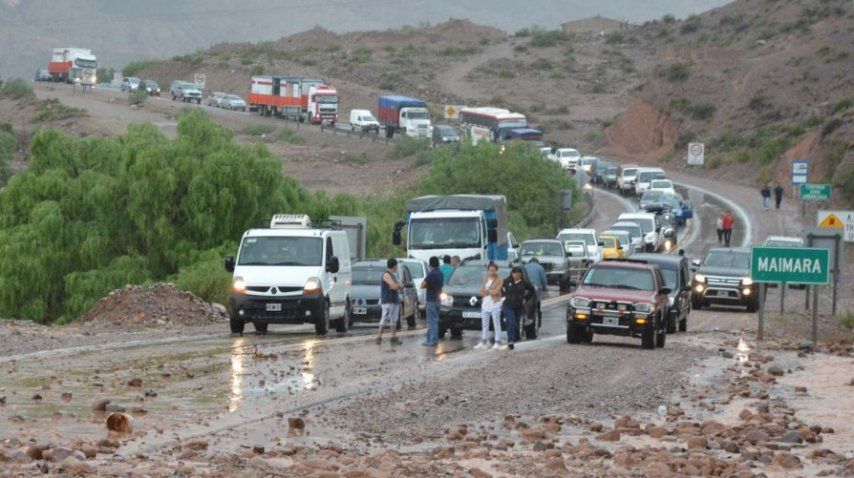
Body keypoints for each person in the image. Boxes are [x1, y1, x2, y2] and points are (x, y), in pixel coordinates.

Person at [501, 266, 536, 350]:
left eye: (518, 274)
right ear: (512, 274)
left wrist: (526, 298)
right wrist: (503, 296)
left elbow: (532, 289)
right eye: (515, 273)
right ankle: (510, 341)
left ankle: (515, 337)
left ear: (520, 274)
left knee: (516, 323)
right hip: (508, 305)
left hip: (518, 306)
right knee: (511, 321)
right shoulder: (507, 281)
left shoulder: (524, 282)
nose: (516, 275)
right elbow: (500, 288)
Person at [475, 262, 503, 350]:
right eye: (490, 270)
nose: (491, 272)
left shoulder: (499, 279)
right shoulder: (485, 278)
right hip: (485, 303)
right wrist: (489, 291)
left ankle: (497, 341)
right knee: (485, 323)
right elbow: (481, 291)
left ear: (496, 270)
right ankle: (484, 341)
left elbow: (497, 291)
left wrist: (488, 291)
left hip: (495, 303)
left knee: (496, 322)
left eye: (493, 270)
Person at [376, 258, 404, 345]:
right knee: (384, 318)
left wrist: (396, 286)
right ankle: (379, 336)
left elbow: (400, 285)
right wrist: (396, 286)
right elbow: (395, 286)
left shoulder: (394, 275)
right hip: (387, 300)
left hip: (394, 300)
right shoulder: (386, 275)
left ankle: (393, 337)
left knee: (394, 319)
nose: (397, 267)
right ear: (394, 265)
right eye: (396, 265)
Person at [421, 256, 443, 347]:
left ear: (430, 265)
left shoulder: (431, 274)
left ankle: (433, 340)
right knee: (434, 320)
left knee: (432, 321)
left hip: (431, 300)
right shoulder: (440, 273)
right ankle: (429, 339)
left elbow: (422, 285)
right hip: (438, 299)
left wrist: (427, 285)